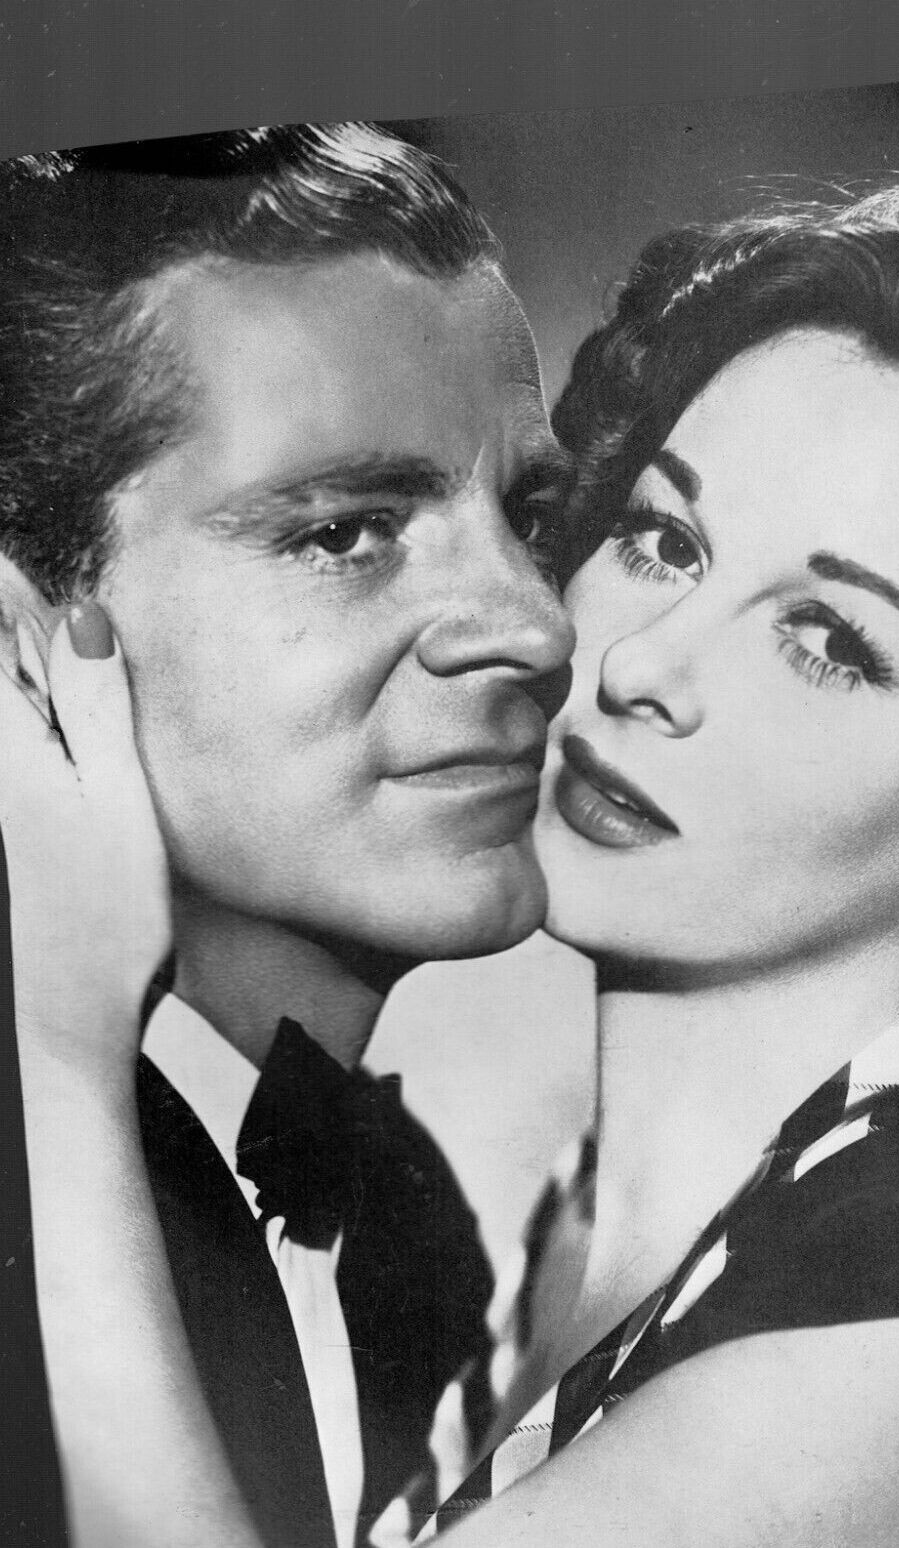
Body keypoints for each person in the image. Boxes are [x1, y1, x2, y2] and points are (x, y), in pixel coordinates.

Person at [9, 161, 899, 1547]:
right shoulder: (492, 1245)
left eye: (830, 641)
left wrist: (58, 1046)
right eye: (662, 540)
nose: (636, 663)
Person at [0, 124, 575, 1548]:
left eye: (531, 515)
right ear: (23, 643)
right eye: (345, 533)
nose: (535, 625)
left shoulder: (408, 1217)